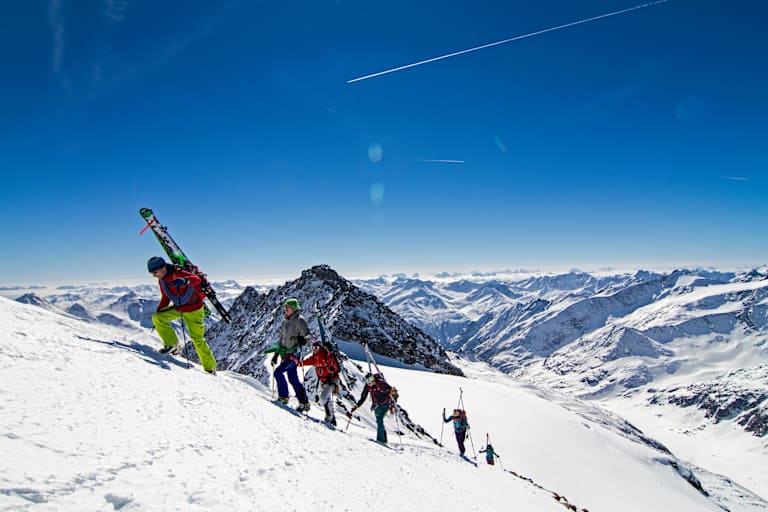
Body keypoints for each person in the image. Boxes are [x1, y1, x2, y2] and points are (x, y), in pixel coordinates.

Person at [147, 256, 217, 374]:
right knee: (157, 318)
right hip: (179, 308)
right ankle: (172, 344)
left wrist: (185, 281)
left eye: (154, 272)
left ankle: (210, 368)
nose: (153, 275)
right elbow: (166, 297)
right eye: (151, 273)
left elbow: (196, 279)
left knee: (197, 339)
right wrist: (160, 311)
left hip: (194, 310)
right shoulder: (162, 280)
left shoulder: (177, 272)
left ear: (163, 268)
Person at [265, 298, 311, 412]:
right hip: (286, 354)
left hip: (294, 354)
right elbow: (281, 340)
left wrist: (303, 340)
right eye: (285, 307)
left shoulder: (299, 320)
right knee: (293, 378)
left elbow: (309, 336)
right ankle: (304, 402)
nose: (286, 310)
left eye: (288, 307)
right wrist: (276, 354)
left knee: (278, 372)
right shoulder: (285, 322)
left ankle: (284, 397)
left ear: (294, 309)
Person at [349, 373, 398, 444]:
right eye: (368, 381)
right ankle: (384, 439)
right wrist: (356, 406)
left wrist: (393, 393)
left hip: (386, 404)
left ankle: (380, 440)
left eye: (371, 379)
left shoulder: (381, 383)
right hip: (377, 405)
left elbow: (392, 392)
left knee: (379, 419)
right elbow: (363, 398)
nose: (370, 382)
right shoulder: (368, 386)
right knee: (379, 421)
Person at [301, 340, 341, 425]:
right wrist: (298, 363)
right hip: (323, 381)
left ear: (320, 348)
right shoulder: (314, 358)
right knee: (327, 399)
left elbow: (336, 367)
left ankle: (328, 417)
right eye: (313, 348)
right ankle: (332, 420)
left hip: (331, 380)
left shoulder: (327, 355)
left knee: (323, 397)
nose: (314, 349)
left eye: (316, 348)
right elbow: (305, 362)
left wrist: (332, 373)